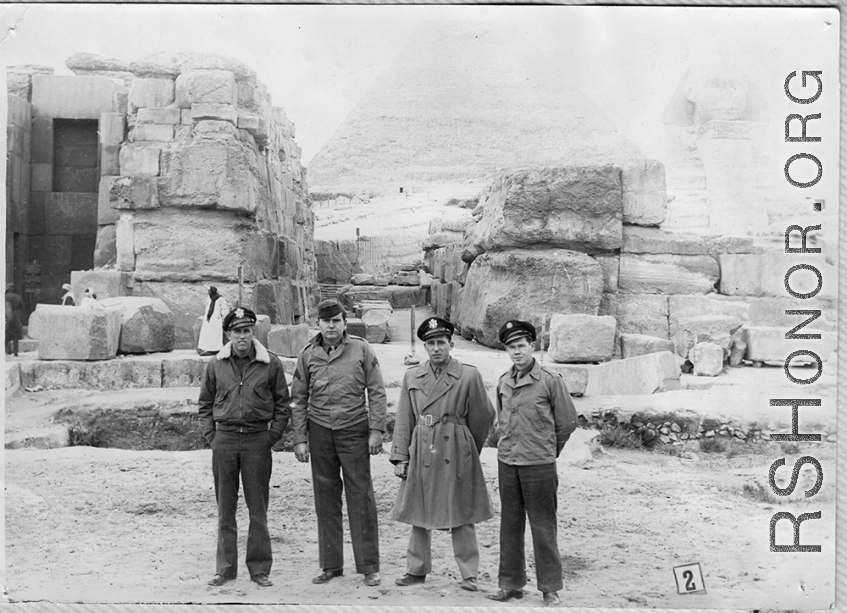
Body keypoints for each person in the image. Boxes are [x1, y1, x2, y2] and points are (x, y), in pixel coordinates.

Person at [390, 316, 494, 592]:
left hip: (455, 448)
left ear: (451, 344)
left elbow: (484, 415)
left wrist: (468, 446)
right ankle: (416, 569)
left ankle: (469, 574)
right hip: (422, 446)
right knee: (418, 510)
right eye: (431, 343)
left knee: (462, 511)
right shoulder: (412, 376)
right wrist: (401, 456)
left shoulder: (468, 375)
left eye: (441, 342)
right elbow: (404, 418)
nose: (437, 348)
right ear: (425, 347)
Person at [291, 299, 385, 587]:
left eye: (336, 321)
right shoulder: (308, 354)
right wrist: (299, 438)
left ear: (345, 322)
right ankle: (331, 565)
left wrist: (377, 430)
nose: (331, 326)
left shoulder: (361, 349)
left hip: (354, 430)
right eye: (325, 321)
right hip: (320, 431)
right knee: (326, 499)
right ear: (317, 324)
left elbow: (377, 391)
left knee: (361, 498)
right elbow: (298, 399)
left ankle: (369, 566)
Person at [198, 307, 290, 588]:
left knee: (258, 508)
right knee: (226, 509)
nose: (242, 337)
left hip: (256, 441)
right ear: (228, 334)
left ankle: (259, 569)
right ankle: (225, 570)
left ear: (253, 333)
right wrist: (211, 438)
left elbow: (283, 405)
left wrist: (271, 437)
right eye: (237, 331)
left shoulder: (270, 364)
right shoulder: (215, 364)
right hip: (224, 441)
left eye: (246, 331)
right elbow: (204, 405)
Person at [488, 320, 578, 607]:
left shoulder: (550, 380)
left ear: (532, 347)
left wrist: (548, 450)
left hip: (538, 464)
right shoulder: (504, 381)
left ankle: (550, 588)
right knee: (510, 525)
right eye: (511, 347)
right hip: (508, 462)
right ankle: (511, 585)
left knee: (543, 526)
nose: (517, 352)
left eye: (521, 346)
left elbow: (566, 422)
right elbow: (502, 421)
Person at [198, 286, 228, 355]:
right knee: (207, 334)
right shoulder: (209, 298)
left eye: (209, 291)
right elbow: (207, 307)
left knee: (215, 335)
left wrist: (220, 315)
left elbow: (225, 309)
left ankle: (216, 349)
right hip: (208, 320)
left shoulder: (220, 299)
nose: (208, 292)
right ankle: (207, 349)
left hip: (216, 320)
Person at [5, 283, 24, 356]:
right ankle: (15, 352)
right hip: (16, 316)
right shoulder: (18, 297)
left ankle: (7, 349)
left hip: (6, 316)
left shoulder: (4, 297)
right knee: (15, 335)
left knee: (6, 333)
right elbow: (23, 308)